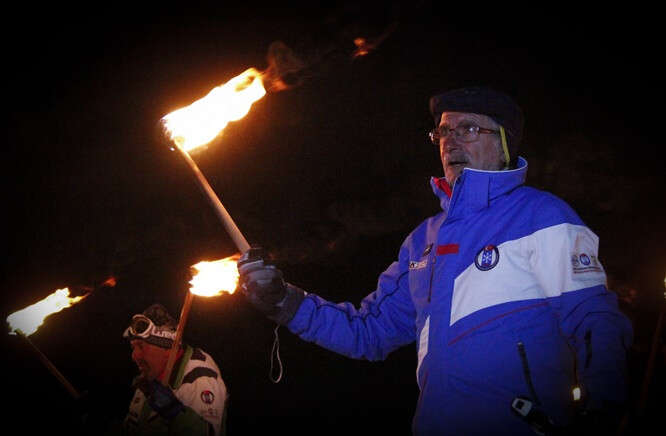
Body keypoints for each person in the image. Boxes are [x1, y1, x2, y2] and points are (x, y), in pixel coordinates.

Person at [237, 86, 634, 435]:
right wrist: (284, 301)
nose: (450, 141)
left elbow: (594, 317)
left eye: (468, 128)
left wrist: (603, 408)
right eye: (443, 131)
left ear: (504, 144)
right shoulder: (422, 241)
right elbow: (368, 332)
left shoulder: (542, 215)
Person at [121, 303, 228, 435]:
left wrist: (175, 413)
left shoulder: (199, 378)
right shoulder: (149, 377)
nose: (134, 356)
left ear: (168, 348)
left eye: (141, 347)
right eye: (133, 347)